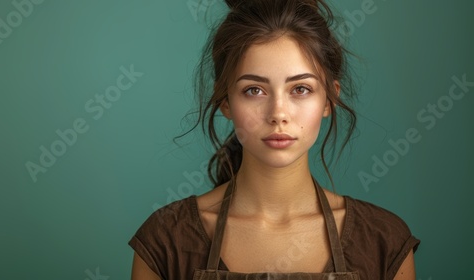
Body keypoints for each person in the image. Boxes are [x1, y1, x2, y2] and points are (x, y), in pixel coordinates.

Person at [129, 0, 420, 279]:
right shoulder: (166, 240)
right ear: (225, 101)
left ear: (329, 99)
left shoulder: (384, 241)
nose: (278, 114)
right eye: (254, 90)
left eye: (301, 89)